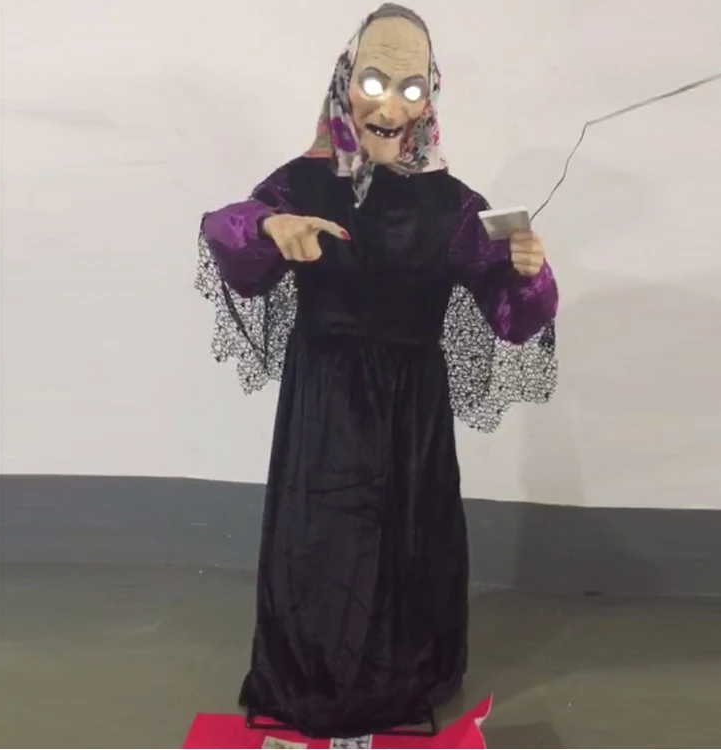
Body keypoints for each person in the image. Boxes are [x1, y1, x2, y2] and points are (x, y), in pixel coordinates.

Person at [195, 3, 558, 738]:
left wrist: (529, 273)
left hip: (411, 411)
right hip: (325, 402)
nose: (389, 107)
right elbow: (228, 240)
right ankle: (315, 672)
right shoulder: (303, 184)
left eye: (410, 88)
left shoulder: (457, 208)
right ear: (343, 80)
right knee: (322, 536)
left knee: (408, 538)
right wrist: (269, 226)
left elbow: (514, 318)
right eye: (372, 81)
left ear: (430, 96)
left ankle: (407, 674)